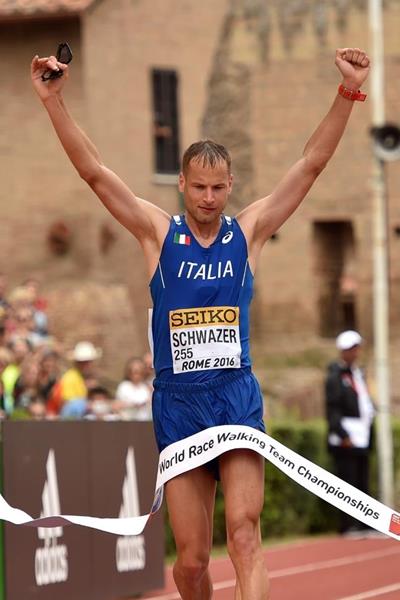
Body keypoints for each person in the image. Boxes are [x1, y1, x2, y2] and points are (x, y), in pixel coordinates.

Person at [31, 46, 370, 599]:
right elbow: (95, 173)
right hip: (179, 404)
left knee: (244, 535)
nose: (209, 198)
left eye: (219, 188)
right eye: (199, 188)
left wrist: (348, 91)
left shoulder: (250, 232)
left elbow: (310, 165)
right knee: (189, 562)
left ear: (230, 185)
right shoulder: (158, 234)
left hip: (235, 397)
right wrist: (54, 101)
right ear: (183, 185)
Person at [325, 330, 375, 536]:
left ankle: (364, 522)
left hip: (362, 435)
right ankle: (347, 524)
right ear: (343, 351)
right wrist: (343, 434)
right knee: (347, 481)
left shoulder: (358, 373)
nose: (356, 352)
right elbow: (333, 408)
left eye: (357, 348)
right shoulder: (335, 377)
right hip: (346, 437)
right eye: (352, 348)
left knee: (362, 479)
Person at [115, 356, 152, 421]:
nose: (137, 375)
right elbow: (117, 405)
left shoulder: (146, 387)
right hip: (126, 421)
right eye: (135, 372)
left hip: (144, 421)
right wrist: (132, 405)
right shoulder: (123, 386)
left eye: (140, 372)